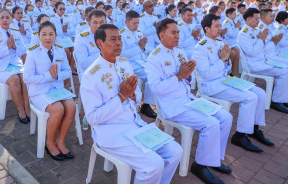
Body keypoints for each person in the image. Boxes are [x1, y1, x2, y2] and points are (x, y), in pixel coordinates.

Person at [81, 24, 182, 184]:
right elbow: (93, 118)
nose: (119, 43)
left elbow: (137, 94)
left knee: (175, 151)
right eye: (113, 40)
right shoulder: (91, 75)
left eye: (119, 39)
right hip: (111, 131)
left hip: (133, 124)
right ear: (100, 43)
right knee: (153, 165)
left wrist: (133, 94)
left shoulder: (123, 63)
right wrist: (121, 96)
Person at [146, 19, 233, 184]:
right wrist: (179, 76)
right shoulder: (154, 58)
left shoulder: (179, 52)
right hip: (172, 106)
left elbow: (188, 79)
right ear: (162, 35)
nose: (177, 36)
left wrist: (188, 75)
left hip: (188, 99)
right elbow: (156, 88)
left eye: (178, 32)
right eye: (173, 33)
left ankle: (213, 159)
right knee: (211, 124)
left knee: (226, 117)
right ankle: (200, 165)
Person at [193, 14, 273, 153]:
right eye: (216, 26)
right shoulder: (200, 48)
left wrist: (227, 61)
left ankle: (254, 128)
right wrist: (223, 60)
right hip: (211, 85)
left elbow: (227, 68)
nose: (220, 29)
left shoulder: (219, 42)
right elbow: (206, 74)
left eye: (220, 26)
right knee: (250, 97)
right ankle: (240, 135)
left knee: (260, 92)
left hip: (224, 80)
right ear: (207, 28)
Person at [23, 21, 76, 161]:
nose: (48, 38)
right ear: (39, 36)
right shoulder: (33, 52)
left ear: (56, 36)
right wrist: (48, 75)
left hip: (57, 89)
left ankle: (61, 141)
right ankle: (50, 143)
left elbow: (68, 71)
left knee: (71, 106)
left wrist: (57, 75)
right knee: (58, 109)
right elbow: (27, 78)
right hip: (39, 92)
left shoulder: (59, 49)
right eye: (44, 34)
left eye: (51, 34)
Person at [238, 8, 288, 113]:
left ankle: (282, 97)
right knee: (284, 71)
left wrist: (265, 40)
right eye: (256, 19)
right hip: (254, 65)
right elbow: (252, 52)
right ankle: (276, 100)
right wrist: (261, 39)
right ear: (248, 20)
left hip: (263, 61)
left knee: (285, 68)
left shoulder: (255, 30)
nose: (258, 21)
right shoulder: (243, 34)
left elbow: (264, 46)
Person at [0, 10, 29, 123]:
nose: (5, 20)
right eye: (2, 18)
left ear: (11, 19)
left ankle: (27, 107)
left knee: (25, 79)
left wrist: (14, 46)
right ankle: (20, 109)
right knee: (15, 80)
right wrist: (7, 47)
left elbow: (23, 50)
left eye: (7, 17)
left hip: (15, 64)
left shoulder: (15, 31)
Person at [120, 10, 157, 118]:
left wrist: (144, 48)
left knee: (156, 71)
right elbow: (122, 54)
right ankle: (146, 105)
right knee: (150, 75)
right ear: (127, 22)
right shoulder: (121, 34)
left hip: (141, 61)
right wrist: (139, 47)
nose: (136, 26)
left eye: (137, 23)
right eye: (134, 23)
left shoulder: (139, 33)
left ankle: (150, 102)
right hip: (129, 63)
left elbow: (143, 51)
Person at [74, 9, 106, 75]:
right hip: (91, 73)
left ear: (106, 23)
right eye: (95, 23)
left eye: (101, 22)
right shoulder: (81, 39)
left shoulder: (109, 35)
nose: (98, 26)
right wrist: (104, 53)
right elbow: (83, 64)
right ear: (89, 24)